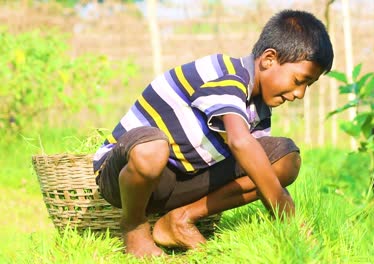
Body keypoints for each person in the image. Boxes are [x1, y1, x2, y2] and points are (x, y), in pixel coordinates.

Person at [93, 9, 333, 258]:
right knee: (152, 148)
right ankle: (134, 227)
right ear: (269, 59)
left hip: (180, 181)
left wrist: (280, 206)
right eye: (298, 80)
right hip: (126, 176)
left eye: (309, 85)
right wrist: (285, 212)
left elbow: (258, 169)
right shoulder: (224, 74)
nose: (300, 94)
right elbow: (240, 142)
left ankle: (180, 220)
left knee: (285, 159)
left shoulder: (258, 108)